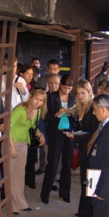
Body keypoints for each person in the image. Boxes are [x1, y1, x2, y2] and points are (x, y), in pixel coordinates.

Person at [64, 80, 99, 217]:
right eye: (77, 93)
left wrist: (77, 135)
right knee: (85, 180)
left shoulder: (94, 108)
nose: (80, 96)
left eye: (83, 93)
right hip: (83, 147)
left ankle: (87, 213)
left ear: (90, 92)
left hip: (91, 148)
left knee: (89, 181)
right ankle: (84, 211)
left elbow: (95, 132)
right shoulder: (78, 107)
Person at [9, 88, 46, 213]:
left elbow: (32, 128)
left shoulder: (37, 112)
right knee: (12, 175)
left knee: (20, 174)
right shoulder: (20, 109)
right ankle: (13, 205)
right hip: (12, 142)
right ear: (31, 97)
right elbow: (8, 127)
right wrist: (12, 147)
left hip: (24, 143)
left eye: (41, 100)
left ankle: (21, 202)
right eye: (36, 99)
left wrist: (40, 134)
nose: (38, 102)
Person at [40, 74, 75, 204]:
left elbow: (78, 118)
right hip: (56, 132)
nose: (66, 91)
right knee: (53, 162)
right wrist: (56, 114)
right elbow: (44, 117)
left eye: (69, 88)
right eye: (65, 87)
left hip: (69, 133)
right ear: (60, 84)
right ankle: (45, 194)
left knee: (67, 162)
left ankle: (65, 192)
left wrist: (73, 114)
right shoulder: (51, 97)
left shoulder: (73, 98)